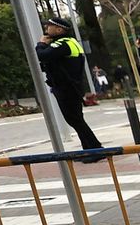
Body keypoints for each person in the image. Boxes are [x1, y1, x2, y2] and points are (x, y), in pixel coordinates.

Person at [36, 16, 103, 151]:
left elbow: (41, 55)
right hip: (70, 86)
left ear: (59, 30)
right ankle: (89, 149)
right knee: (76, 120)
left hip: (66, 87)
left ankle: (95, 149)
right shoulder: (69, 42)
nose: (46, 28)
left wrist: (41, 44)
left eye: (49, 26)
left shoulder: (63, 44)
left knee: (75, 120)